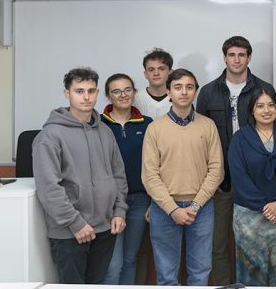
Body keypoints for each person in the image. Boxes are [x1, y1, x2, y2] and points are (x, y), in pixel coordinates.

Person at [32, 67, 128, 284]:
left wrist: (119, 211)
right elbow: (49, 188)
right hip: (70, 233)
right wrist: (75, 223)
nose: (86, 97)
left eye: (91, 91)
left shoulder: (105, 132)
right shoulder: (49, 136)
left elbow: (118, 176)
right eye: (79, 91)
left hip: (105, 229)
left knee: (96, 285)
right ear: (67, 93)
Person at [196, 35, 276, 285]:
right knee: (217, 244)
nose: (237, 59)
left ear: (249, 57)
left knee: (254, 245)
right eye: (232, 54)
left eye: (242, 54)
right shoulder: (209, 92)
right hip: (220, 182)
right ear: (224, 58)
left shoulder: (264, 89)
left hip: (255, 183)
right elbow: (200, 137)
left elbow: (274, 135)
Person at [142, 68, 223, 286]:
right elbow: (150, 175)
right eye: (177, 87)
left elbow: (216, 170)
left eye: (189, 87)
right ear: (168, 92)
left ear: (196, 91)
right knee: (166, 276)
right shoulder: (154, 129)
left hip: (202, 208)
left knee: (200, 272)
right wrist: (173, 209)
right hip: (164, 208)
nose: (184, 92)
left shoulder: (207, 126)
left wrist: (195, 206)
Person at [229, 86, 276, 286]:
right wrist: (265, 206)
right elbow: (239, 177)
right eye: (260, 106)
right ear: (251, 110)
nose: (266, 110)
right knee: (251, 267)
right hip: (248, 217)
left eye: (271, 105)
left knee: (275, 266)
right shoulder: (240, 138)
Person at [101, 73, 154, 285]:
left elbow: (154, 165)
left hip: (140, 200)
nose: (123, 95)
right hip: (110, 203)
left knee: (131, 258)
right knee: (113, 265)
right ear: (108, 96)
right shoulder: (98, 124)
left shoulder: (148, 124)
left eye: (127, 90)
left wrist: (153, 200)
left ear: (134, 92)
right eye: (116, 91)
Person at [133, 48, 173, 120]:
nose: (156, 73)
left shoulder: (179, 98)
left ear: (170, 72)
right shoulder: (134, 99)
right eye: (151, 70)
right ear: (145, 74)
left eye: (161, 69)